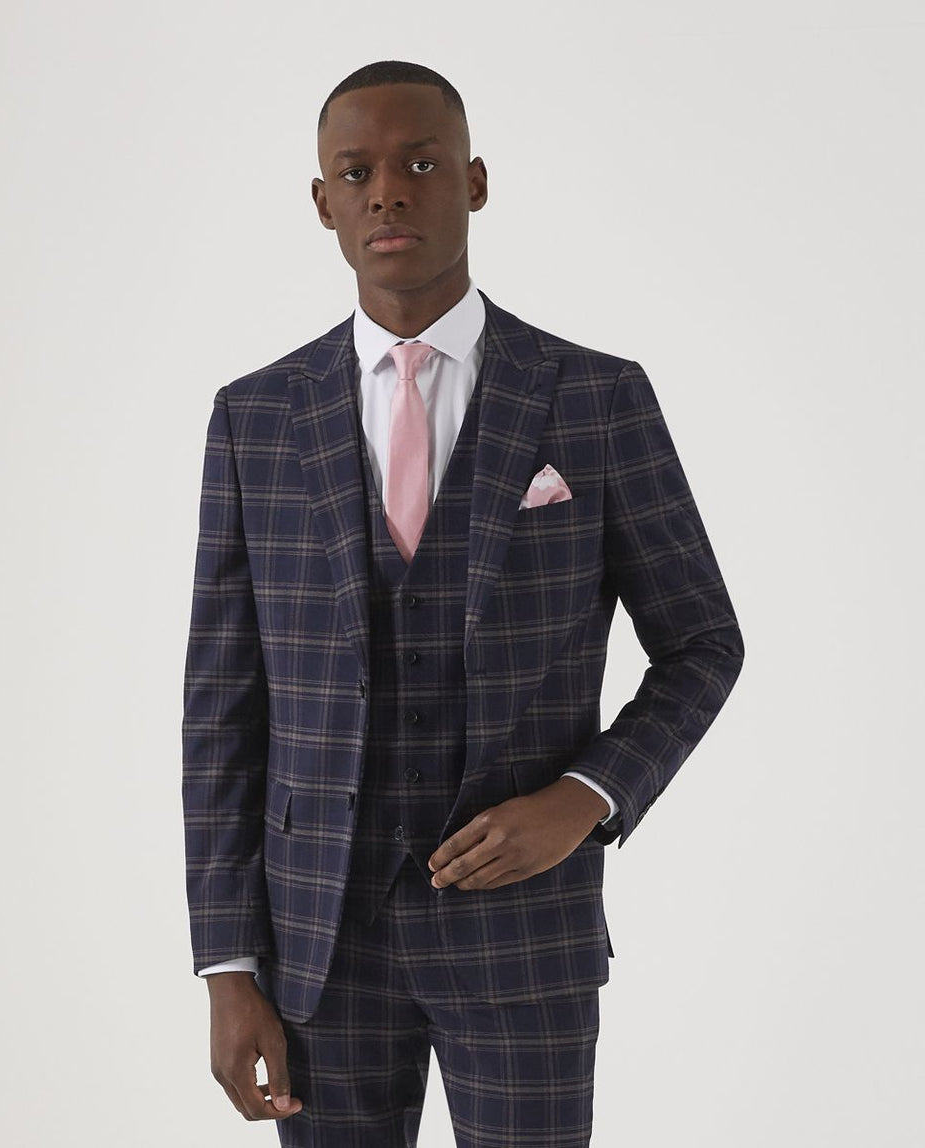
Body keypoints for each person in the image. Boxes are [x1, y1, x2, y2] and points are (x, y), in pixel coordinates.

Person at [182, 59, 744, 1147]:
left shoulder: (594, 398)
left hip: (523, 933)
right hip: (319, 943)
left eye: (421, 164)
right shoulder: (255, 418)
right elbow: (221, 710)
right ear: (323, 203)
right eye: (357, 172)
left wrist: (585, 794)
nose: (388, 191)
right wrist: (228, 964)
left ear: (475, 181)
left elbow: (703, 642)